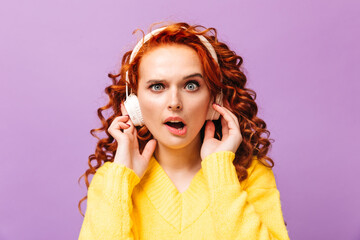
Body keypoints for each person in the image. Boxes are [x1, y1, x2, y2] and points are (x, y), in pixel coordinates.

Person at [78, 22, 290, 240]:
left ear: (213, 99)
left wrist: (220, 172)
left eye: (191, 86)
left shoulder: (250, 174)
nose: (174, 103)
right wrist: (121, 180)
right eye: (157, 86)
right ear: (134, 103)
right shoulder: (110, 182)